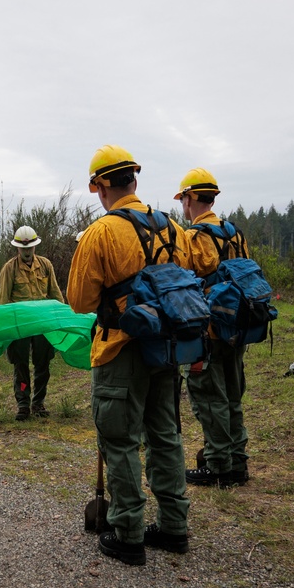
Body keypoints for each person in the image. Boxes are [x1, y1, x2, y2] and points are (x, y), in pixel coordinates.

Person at [68, 145, 191, 565]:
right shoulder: (174, 229)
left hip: (120, 350)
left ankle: (128, 532)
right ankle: (174, 527)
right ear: (134, 180)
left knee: (120, 441)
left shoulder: (102, 232)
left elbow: (80, 302)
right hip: (167, 350)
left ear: (101, 186)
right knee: (165, 435)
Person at [177, 169, 251, 488]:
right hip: (237, 324)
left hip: (206, 330)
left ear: (190, 198)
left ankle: (217, 465)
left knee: (209, 395)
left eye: (183, 198)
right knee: (232, 394)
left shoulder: (193, 237)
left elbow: (180, 282)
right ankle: (237, 462)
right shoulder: (235, 233)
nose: (183, 204)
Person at [0, 226, 65, 420]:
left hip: (43, 324)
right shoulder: (9, 268)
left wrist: (61, 319)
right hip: (20, 326)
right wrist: (4, 330)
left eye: (30, 248)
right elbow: (2, 301)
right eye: (22, 248)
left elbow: (56, 295)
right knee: (21, 366)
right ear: (17, 248)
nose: (26, 252)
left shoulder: (45, 265)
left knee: (43, 364)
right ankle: (23, 404)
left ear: (35, 246)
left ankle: (38, 403)